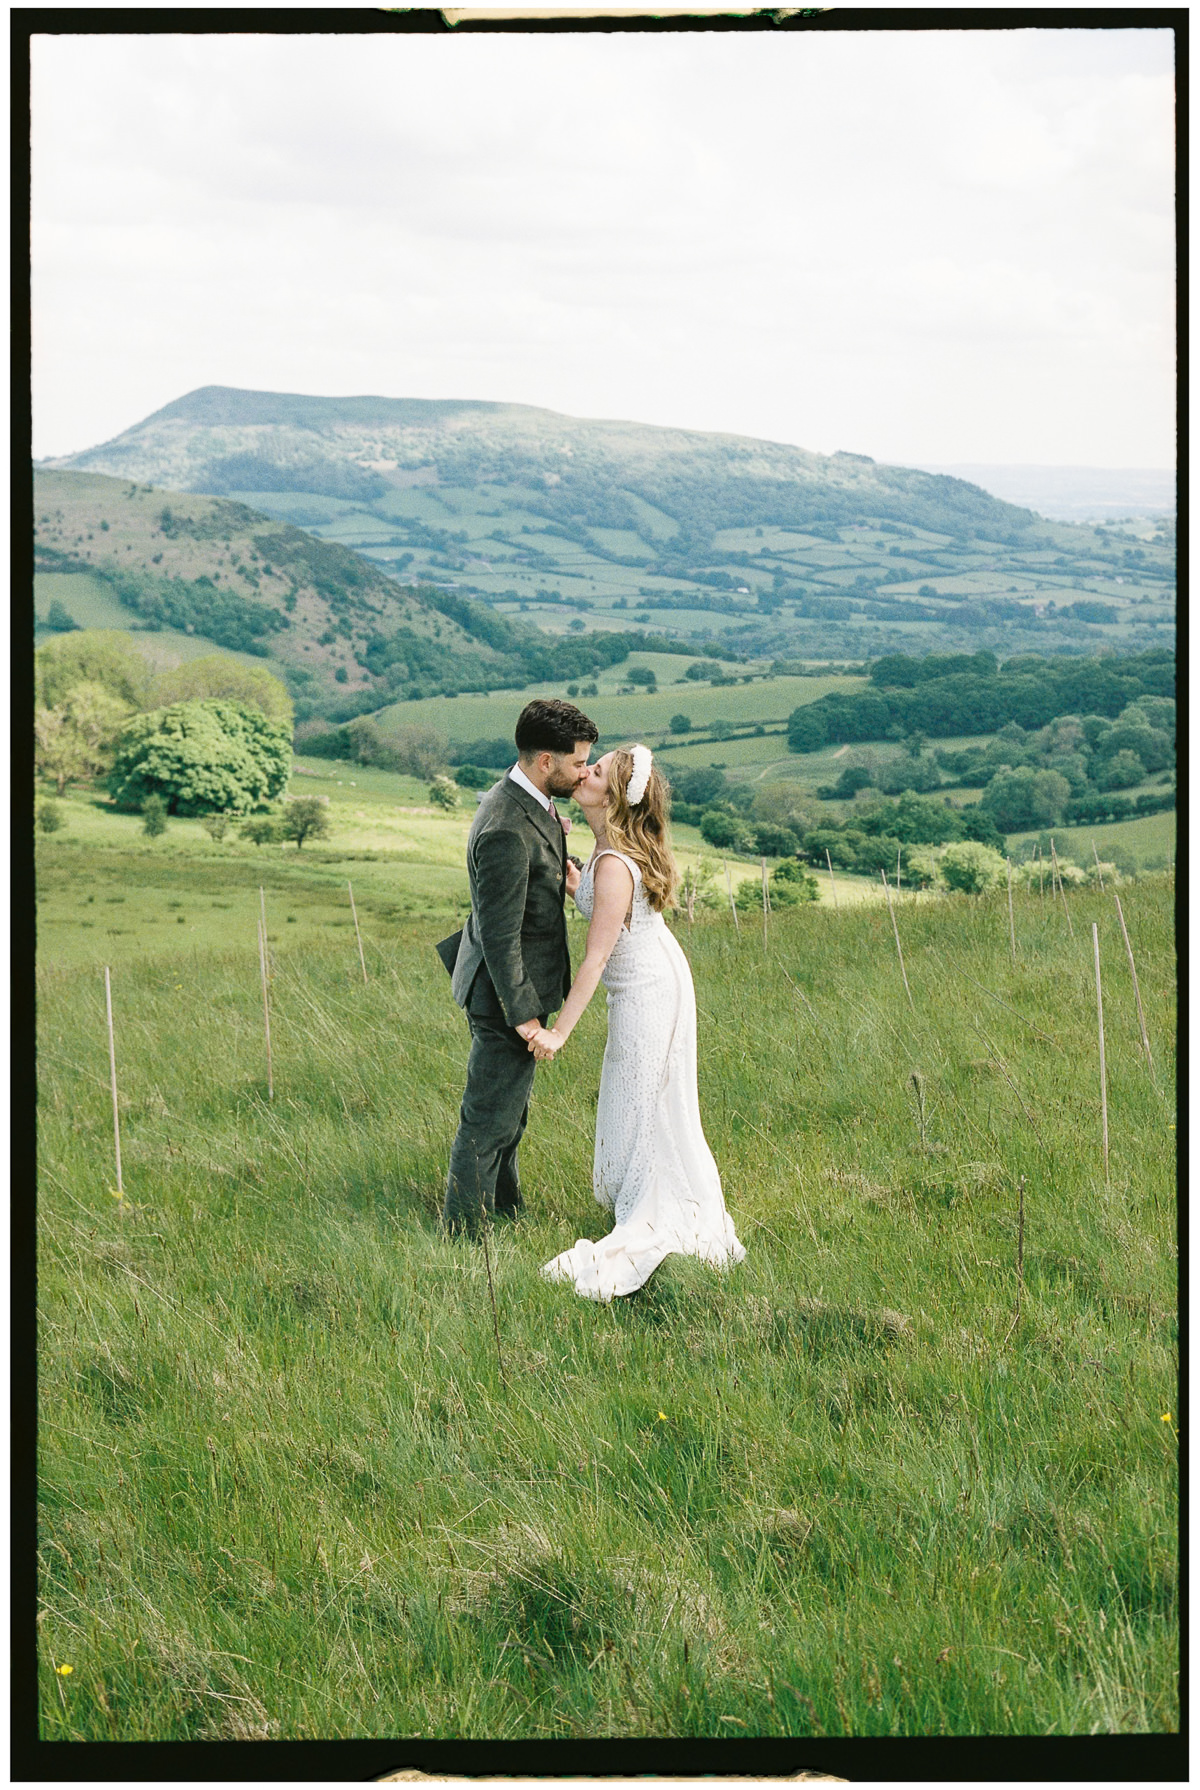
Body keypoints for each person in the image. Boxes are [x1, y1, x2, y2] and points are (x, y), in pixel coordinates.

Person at [529, 744, 745, 1300]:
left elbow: (597, 957)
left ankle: (658, 1210)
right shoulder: (608, 855)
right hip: (658, 972)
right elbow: (607, 908)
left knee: (644, 1099)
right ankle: (653, 1194)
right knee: (644, 1097)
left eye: (594, 771)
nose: (584, 772)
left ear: (613, 797)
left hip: (647, 989)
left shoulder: (614, 864)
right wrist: (577, 887)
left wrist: (558, 1031)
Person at [440, 698, 599, 1237]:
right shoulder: (508, 825)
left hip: (515, 987)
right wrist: (525, 1016)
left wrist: (557, 847)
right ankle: (464, 1237)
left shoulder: (525, 799)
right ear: (546, 760)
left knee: (510, 1114)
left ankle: (505, 1212)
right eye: (578, 763)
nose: (584, 773)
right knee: (487, 1121)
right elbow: (501, 935)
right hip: (505, 993)